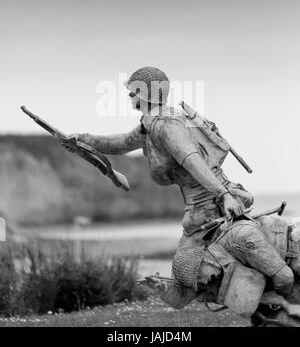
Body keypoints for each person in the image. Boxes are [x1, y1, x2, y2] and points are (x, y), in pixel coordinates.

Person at [63, 66, 294, 299]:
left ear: (145, 94)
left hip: (212, 206)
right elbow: (122, 143)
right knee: (184, 278)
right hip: (196, 215)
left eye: (133, 92)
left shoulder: (166, 125)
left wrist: (224, 195)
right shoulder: (151, 123)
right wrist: (83, 140)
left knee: (267, 269)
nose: (129, 96)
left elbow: (192, 160)